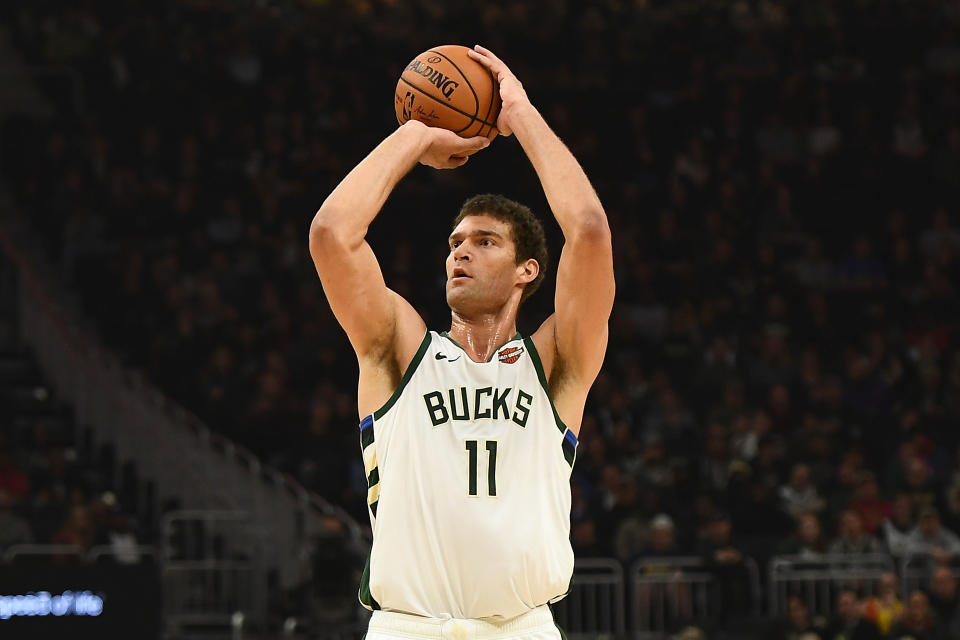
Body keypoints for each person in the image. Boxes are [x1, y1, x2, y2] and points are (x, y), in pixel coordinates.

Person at [309, 45, 614, 639]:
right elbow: (331, 234)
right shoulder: (399, 349)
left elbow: (589, 230)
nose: (460, 251)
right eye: (454, 243)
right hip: (408, 628)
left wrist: (519, 113)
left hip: (522, 628)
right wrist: (416, 137)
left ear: (528, 269)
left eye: (484, 241)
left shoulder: (554, 362)